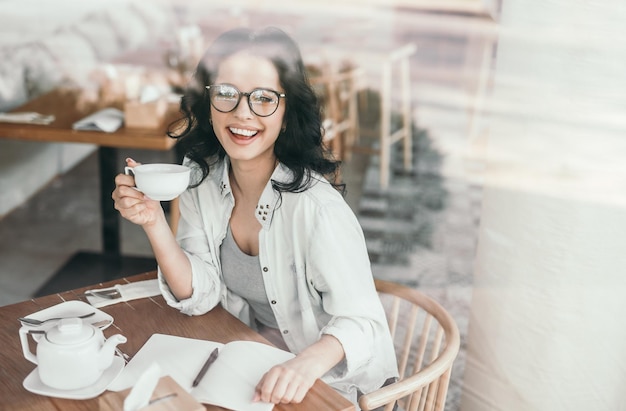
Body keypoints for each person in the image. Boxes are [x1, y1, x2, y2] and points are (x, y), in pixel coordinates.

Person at [112, 26, 398, 408]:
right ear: (208, 101)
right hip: (249, 364)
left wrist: (303, 365)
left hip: (326, 386)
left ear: (286, 110)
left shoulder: (317, 209)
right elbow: (200, 295)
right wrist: (153, 221)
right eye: (226, 94)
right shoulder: (202, 178)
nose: (243, 113)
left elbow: (366, 326)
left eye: (264, 98)